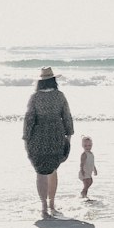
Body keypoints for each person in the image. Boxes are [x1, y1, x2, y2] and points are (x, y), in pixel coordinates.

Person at [22, 66, 74, 217]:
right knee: (53, 170)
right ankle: (52, 203)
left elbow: (29, 119)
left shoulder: (35, 97)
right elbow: (67, 116)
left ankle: (44, 207)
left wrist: (26, 138)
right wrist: (69, 135)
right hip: (56, 135)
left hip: (37, 137)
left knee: (40, 172)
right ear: (53, 80)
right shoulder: (60, 96)